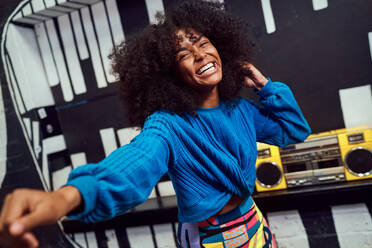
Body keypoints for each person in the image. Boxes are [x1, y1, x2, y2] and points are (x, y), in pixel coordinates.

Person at [0, 1, 311, 248]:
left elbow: (292, 130)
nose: (200, 55)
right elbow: (133, 164)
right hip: (212, 236)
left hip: (254, 223)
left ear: (221, 47)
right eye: (184, 55)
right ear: (170, 75)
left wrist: (265, 86)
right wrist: (66, 197)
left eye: (202, 43)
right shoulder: (168, 125)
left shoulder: (240, 109)